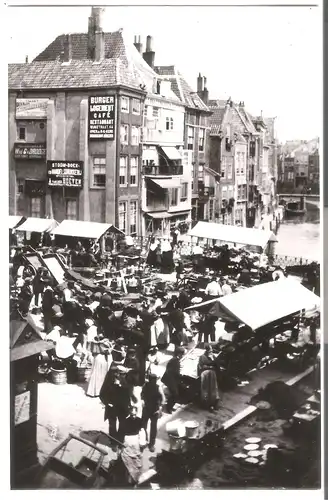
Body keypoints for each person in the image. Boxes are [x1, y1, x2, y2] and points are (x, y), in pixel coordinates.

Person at [141, 373, 165, 452]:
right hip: (146, 408)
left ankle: (151, 444)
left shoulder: (158, 388)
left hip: (154, 410)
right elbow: (142, 394)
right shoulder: (145, 386)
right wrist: (142, 401)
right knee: (143, 426)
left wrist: (160, 408)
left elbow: (163, 398)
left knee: (153, 427)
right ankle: (144, 441)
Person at [161, 347, 184, 413]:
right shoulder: (175, 361)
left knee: (173, 393)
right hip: (170, 380)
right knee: (175, 394)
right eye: (182, 354)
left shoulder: (174, 360)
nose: (182, 356)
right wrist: (180, 375)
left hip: (171, 379)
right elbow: (175, 372)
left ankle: (169, 406)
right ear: (179, 354)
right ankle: (169, 408)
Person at [197, 344, 220, 411]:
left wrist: (213, 359)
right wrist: (210, 366)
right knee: (206, 389)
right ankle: (207, 405)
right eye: (210, 349)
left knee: (213, 389)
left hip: (212, 374)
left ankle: (214, 404)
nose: (211, 350)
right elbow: (201, 366)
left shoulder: (212, 356)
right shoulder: (202, 357)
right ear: (207, 350)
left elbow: (216, 364)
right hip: (206, 374)